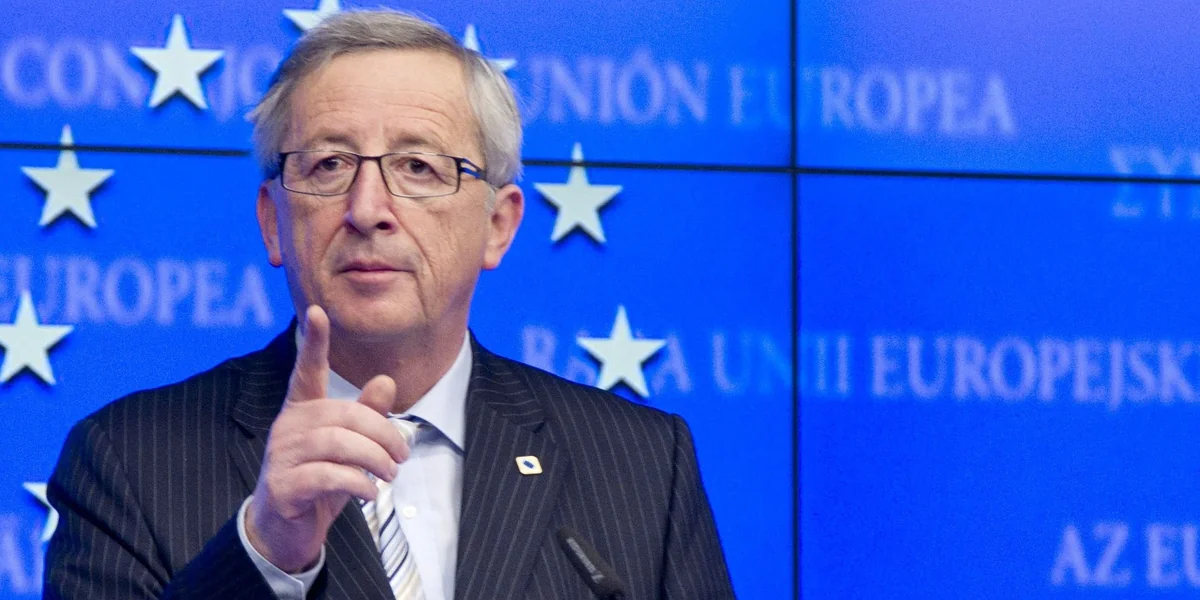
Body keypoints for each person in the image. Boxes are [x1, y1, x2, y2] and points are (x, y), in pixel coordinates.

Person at [43, 9, 733, 600]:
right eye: (328, 165)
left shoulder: (644, 465)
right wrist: (265, 552)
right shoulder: (128, 460)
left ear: (498, 225)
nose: (368, 208)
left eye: (419, 167)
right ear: (273, 222)